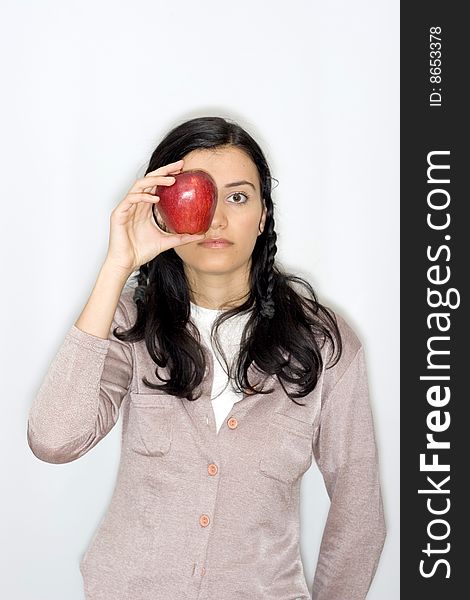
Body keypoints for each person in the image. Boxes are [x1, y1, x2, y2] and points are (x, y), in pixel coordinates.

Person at [27, 116, 387, 600]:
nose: (216, 218)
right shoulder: (129, 323)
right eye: (199, 196)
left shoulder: (322, 340)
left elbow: (358, 509)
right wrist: (118, 265)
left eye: (238, 197)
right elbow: (54, 440)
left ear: (262, 215)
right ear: (163, 209)